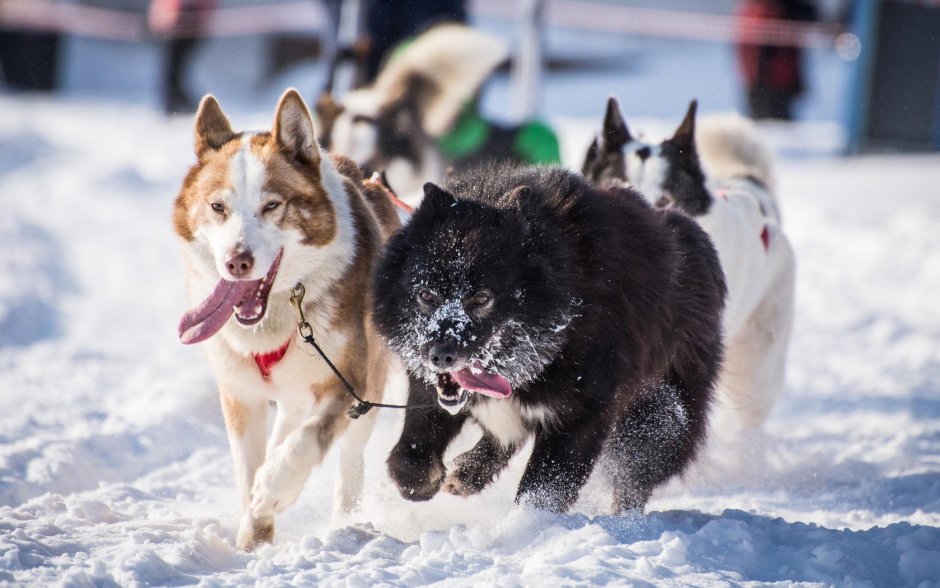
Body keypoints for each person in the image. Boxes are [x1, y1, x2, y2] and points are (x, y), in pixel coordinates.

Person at [737, 0, 818, 120]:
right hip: (767, 82)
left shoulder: (761, 10)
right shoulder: (763, 11)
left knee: (774, 125)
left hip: (774, 82)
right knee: (769, 124)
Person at [148, 0, 217, 114]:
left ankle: (178, 100)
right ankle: (175, 101)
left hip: (189, 23)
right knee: (172, 66)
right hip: (174, 25)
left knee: (177, 66)